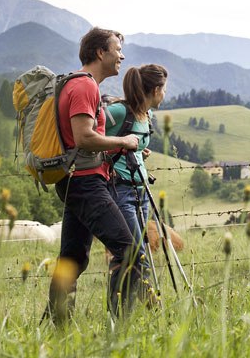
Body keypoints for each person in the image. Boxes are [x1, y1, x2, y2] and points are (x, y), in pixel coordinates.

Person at [45, 27, 142, 323]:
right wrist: (124, 141)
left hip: (76, 179)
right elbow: (84, 137)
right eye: (117, 50)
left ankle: (55, 327)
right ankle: (120, 327)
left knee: (72, 260)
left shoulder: (79, 85)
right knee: (129, 253)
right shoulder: (85, 86)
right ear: (101, 52)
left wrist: (113, 150)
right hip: (86, 184)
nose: (122, 56)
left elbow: (81, 144)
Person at [105, 64, 168, 283]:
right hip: (120, 191)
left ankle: (134, 309)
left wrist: (140, 151)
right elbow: (91, 140)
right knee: (134, 253)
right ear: (156, 90)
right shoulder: (118, 112)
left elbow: (129, 145)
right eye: (164, 89)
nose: (165, 94)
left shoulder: (146, 115)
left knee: (140, 251)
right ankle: (143, 307)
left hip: (141, 191)